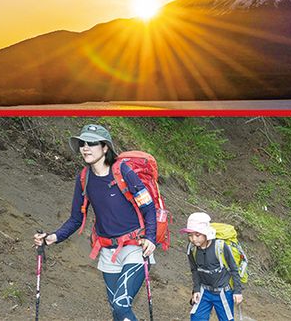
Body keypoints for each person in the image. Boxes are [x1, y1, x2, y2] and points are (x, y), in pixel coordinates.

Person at [32, 124, 157, 321]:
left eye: (92, 143)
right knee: (117, 311)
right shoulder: (84, 178)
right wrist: (52, 237)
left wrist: (150, 237)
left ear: (105, 147)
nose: (85, 148)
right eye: (82, 143)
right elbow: (76, 218)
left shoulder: (123, 171)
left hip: (135, 247)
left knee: (121, 304)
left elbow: (148, 207)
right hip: (107, 252)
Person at [182, 212, 243, 321]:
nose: (193, 239)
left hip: (223, 292)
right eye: (190, 235)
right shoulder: (192, 248)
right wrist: (196, 290)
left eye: (197, 235)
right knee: (196, 317)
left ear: (206, 233)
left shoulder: (220, 247)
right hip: (204, 291)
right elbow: (194, 270)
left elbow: (234, 269)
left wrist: (237, 291)